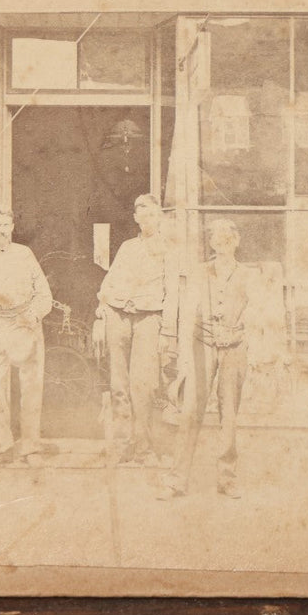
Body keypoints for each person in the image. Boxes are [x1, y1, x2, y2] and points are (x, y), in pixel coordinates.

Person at [159, 218, 252, 500]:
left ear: (237, 242)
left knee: (229, 415)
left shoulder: (247, 275)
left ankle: (227, 479)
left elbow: (255, 313)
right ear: (211, 243)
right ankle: (176, 480)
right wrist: (185, 358)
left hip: (234, 347)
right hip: (202, 345)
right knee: (190, 412)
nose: (222, 243)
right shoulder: (200, 273)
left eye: (227, 238)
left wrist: (239, 334)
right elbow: (188, 312)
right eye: (217, 238)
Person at [96, 194, 178, 465]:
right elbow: (109, 282)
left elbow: (173, 293)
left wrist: (167, 331)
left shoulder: (168, 249)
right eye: (142, 216)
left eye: (152, 215)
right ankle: (122, 446)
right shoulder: (127, 247)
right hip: (119, 317)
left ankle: (144, 448)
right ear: (135, 219)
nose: (147, 221)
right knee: (119, 385)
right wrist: (102, 309)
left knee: (144, 386)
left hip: (148, 319)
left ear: (159, 217)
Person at [0, 206, 53, 467]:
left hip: (27, 323)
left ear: (12, 228)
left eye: (6, 225)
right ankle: (2, 448)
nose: (2, 231)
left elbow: (43, 292)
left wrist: (34, 315)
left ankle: (30, 447)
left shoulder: (24, 254)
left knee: (31, 387)